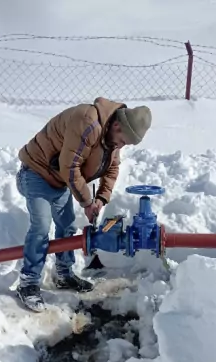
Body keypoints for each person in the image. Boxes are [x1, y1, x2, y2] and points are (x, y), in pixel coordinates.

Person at [15, 97, 152, 312]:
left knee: (67, 224)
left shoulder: (111, 137)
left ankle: (63, 273)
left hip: (58, 179)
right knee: (42, 225)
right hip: (36, 172)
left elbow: (112, 168)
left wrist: (101, 199)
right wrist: (87, 202)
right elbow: (70, 167)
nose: (121, 146)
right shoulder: (88, 122)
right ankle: (28, 283)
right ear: (117, 126)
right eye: (123, 141)